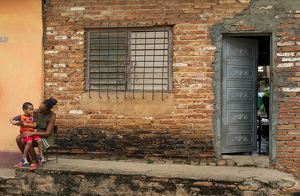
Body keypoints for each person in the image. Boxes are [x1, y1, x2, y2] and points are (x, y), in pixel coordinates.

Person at [14, 97, 57, 170]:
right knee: (18, 138)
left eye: (42, 110)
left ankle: (35, 161)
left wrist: (32, 134)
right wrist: (22, 125)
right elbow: (31, 121)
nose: (39, 111)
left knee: (27, 141)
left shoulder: (52, 116)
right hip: (36, 133)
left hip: (46, 137)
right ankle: (27, 161)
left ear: (48, 111)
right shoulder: (36, 111)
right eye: (39, 108)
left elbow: (48, 133)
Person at [10, 102, 45, 166]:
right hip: (25, 132)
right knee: (29, 142)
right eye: (30, 110)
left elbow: (34, 125)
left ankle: (41, 156)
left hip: (32, 131)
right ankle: (24, 157)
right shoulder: (21, 116)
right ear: (25, 110)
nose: (32, 111)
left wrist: (25, 124)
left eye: (32, 109)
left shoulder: (33, 116)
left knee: (39, 141)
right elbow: (11, 119)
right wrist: (13, 122)